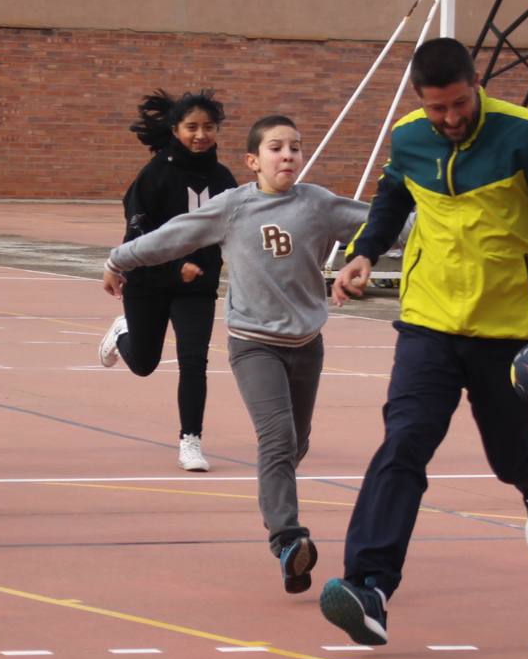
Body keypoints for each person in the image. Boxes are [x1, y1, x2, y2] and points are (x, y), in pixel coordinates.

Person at [320, 37, 528, 647]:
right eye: (436, 109)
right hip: (428, 321)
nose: (449, 119)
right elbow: (391, 198)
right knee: (404, 443)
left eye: (458, 104)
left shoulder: (525, 132)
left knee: (507, 452)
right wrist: (362, 254)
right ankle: (369, 587)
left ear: (476, 84)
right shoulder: (410, 136)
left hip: (506, 329)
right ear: (420, 101)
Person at [103, 115, 370, 590]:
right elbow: (174, 236)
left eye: (295, 147)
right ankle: (288, 541)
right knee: (277, 439)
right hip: (253, 343)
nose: (287, 155)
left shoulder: (319, 204)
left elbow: (383, 224)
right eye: (275, 148)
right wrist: (118, 259)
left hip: (307, 344)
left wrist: (425, 230)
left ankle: (284, 526)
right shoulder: (234, 207)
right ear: (253, 160)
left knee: (295, 443)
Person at [95, 89, 238, 472]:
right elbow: (137, 237)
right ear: (176, 129)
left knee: (195, 361)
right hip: (149, 283)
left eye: (208, 127)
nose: (200, 134)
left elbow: (235, 229)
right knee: (144, 363)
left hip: (198, 288)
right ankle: (122, 332)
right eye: (191, 127)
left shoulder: (223, 179)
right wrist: (173, 268)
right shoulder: (155, 176)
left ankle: (190, 440)